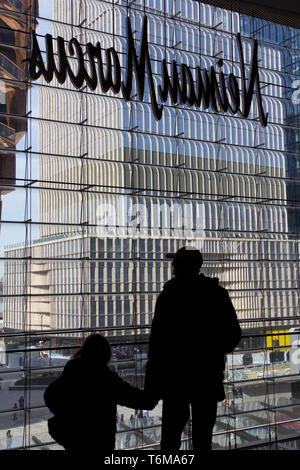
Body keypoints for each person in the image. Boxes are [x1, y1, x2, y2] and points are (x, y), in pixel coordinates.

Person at [145, 246, 241, 451]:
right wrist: (211, 351)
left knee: (170, 438)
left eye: (175, 263)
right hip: (207, 377)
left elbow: (157, 343)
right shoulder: (217, 294)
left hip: (175, 378)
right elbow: (233, 334)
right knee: (203, 437)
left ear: (181, 267)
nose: (172, 266)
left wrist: (153, 382)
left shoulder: (169, 296)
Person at [44, 333, 156, 451]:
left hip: (73, 440)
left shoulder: (72, 372)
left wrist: (69, 416)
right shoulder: (107, 380)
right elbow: (144, 401)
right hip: (101, 442)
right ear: (106, 355)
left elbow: (49, 396)